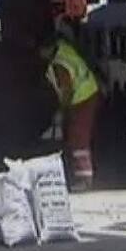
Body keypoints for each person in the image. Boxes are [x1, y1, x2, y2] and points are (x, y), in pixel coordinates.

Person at [42, 36, 102, 190]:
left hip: (83, 98)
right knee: (75, 136)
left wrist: (61, 111)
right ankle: (78, 174)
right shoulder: (64, 49)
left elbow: (66, 91)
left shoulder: (60, 64)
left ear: (47, 49)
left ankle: (84, 179)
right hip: (86, 93)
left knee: (78, 137)